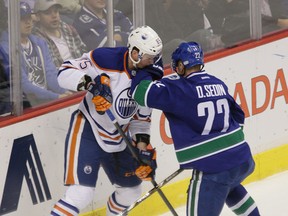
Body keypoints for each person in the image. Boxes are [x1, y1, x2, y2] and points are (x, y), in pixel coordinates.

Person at [130, 41, 261, 215]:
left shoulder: (179, 88)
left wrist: (149, 70)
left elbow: (140, 92)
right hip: (243, 159)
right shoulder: (218, 83)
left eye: (176, 65)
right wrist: (225, 146)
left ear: (181, 66)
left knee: (221, 181)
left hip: (212, 169)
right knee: (229, 184)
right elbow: (239, 116)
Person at [50, 25, 163, 216]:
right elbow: (63, 73)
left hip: (120, 136)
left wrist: (143, 151)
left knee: (130, 192)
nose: (153, 61)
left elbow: (140, 120)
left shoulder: (149, 77)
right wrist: (92, 85)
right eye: (149, 56)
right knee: (82, 194)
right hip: (88, 128)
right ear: (135, 52)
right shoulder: (105, 59)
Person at [0, 2, 69, 106]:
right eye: (22, 19)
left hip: (47, 99)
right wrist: (56, 97)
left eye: (29, 17)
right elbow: (23, 85)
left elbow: (51, 74)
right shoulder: (5, 49)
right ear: (10, 22)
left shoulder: (40, 43)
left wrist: (64, 92)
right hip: (25, 105)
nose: (28, 22)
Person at [33, 0, 87, 69]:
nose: (54, 16)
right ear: (37, 16)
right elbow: (50, 70)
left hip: (81, 70)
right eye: (47, 13)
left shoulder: (67, 28)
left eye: (56, 11)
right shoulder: (37, 39)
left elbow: (83, 49)